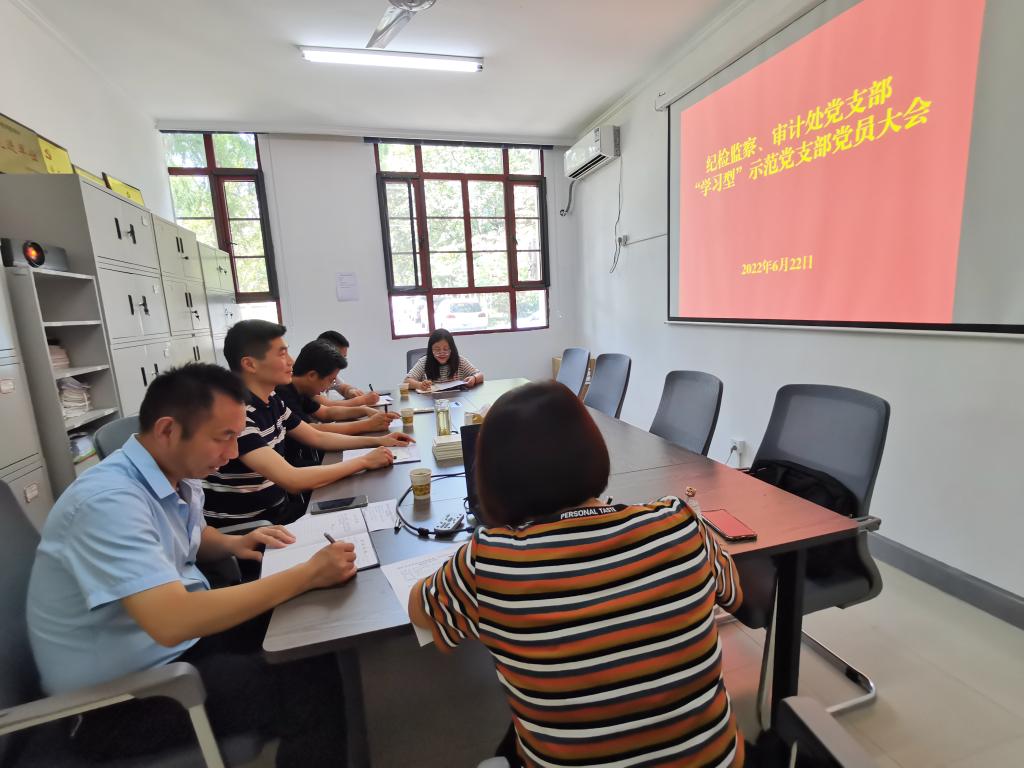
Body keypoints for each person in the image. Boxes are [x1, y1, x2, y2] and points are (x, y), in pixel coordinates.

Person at [26, 364, 356, 766]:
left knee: (310, 634)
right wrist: (306, 574)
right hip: (122, 699)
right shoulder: (107, 502)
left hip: (176, 647)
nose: (232, 454)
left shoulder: (176, 473)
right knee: (307, 689)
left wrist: (235, 542)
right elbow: (172, 620)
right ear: (167, 430)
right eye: (223, 437)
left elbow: (192, 537)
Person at [409, 381, 746, 767]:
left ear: (492, 478)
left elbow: (423, 611)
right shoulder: (679, 522)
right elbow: (732, 592)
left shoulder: (487, 562)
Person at [204, 320, 413, 527]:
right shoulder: (238, 415)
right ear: (250, 364)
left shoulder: (272, 400)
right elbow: (293, 479)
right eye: (282, 354)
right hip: (256, 529)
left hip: (280, 514)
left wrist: (379, 441)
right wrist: (365, 461)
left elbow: (317, 436)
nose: (291, 362)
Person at [278, 340, 400, 435]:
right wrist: (367, 425)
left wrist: (365, 410)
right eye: (330, 380)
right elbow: (312, 430)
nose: (331, 386)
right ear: (312, 375)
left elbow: (326, 413)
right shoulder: (283, 393)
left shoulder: (301, 390)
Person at [404, 328, 483, 393]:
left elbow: (480, 375)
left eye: (445, 349)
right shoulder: (424, 362)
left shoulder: (459, 360)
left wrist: (474, 378)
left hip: (455, 400)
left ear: (451, 349)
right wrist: (419, 385)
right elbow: (407, 381)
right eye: (437, 349)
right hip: (431, 401)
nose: (442, 353)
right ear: (431, 350)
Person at [315, 330, 379, 408]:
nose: (342, 363)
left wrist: (350, 391)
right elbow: (326, 406)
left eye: (344, 358)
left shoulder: (329, 372)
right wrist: (363, 400)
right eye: (339, 358)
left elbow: (342, 387)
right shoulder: (314, 374)